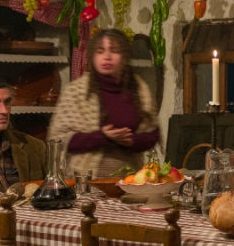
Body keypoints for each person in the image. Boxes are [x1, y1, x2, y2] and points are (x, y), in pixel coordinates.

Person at [49, 28, 161, 178]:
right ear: (92, 56)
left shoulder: (139, 89)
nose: (107, 57)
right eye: (100, 51)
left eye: (114, 51)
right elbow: (57, 139)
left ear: (125, 56)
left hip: (129, 180)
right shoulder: (76, 91)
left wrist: (131, 141)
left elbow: (152, 135)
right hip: (85, 180)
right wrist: (102, 137)